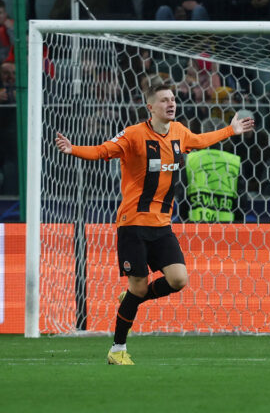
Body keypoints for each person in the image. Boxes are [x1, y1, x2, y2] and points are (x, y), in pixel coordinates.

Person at [53, 83, 256, 364]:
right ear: (150, 107)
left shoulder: (179, 131)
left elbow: (198, 140)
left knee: (178, 279)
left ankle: (132, 297)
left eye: (172, 99)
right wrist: (73, 149)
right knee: (137, 289)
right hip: (133, 223)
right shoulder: (134, 135)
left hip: (162, 226)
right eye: (163, 100)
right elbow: (103, 151)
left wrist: (230, 131)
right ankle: (117, 350)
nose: (171, 104)